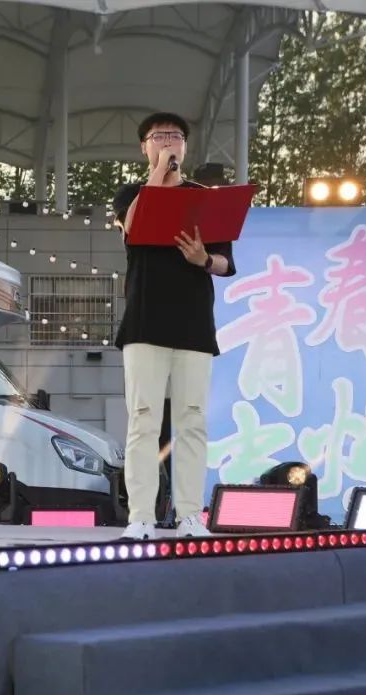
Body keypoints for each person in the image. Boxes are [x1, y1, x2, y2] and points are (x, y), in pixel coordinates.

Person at [111, 112, 236, 540]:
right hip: (145, 322)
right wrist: (158, 176)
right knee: (143, 420)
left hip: (193, 324)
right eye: (159, 136)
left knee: (192, 420)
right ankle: (141, 516)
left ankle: (189, 516)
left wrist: (203, 259)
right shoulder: (131, 194)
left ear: (186, 145)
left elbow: (225, 263)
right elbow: (131, 229)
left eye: (176, 136)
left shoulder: (205, 198)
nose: (168, 142)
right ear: (144, 147)